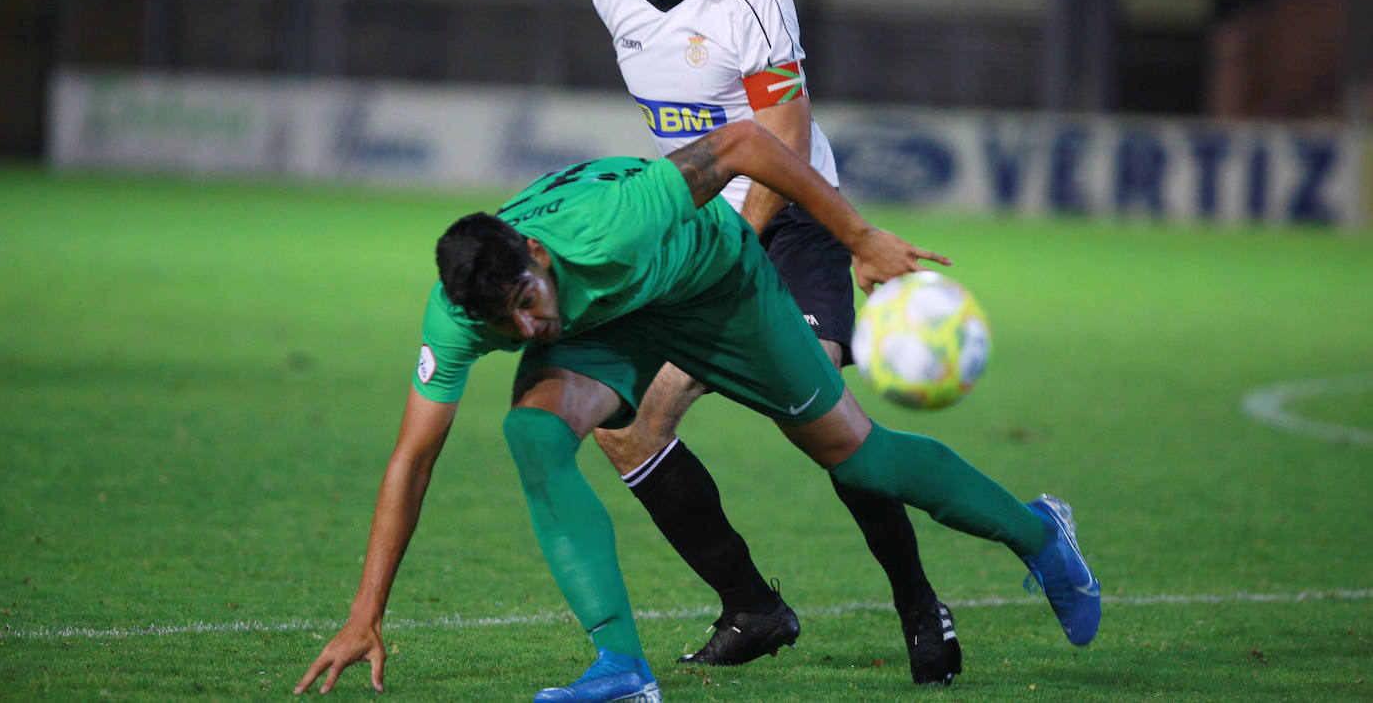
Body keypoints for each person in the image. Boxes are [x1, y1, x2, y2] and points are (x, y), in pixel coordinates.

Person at [293, 120, 1101, 702]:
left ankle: (1039, 534)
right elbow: (414, 457)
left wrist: (856, 237)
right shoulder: (460, 313)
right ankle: (621, 671)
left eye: (526, 304)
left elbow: (750, 143)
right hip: (611, 329)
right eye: (502, 324)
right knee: (533, 433)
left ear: (537, 257)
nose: (525, 330)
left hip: (718, 288)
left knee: (860, 458)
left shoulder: (616, 222)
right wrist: (365, 616)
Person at [589, 0, 958, 683]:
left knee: (830, 433)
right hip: (697, 241)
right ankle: (752, 607)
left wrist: (735, 252)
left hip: (790, 231)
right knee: (626, 427)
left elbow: (784, 148)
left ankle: (917, 604)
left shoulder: (754, 0)